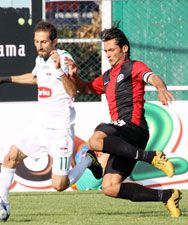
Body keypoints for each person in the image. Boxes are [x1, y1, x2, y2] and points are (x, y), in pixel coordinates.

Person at [0, 20, 102, 207]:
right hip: (40, 127)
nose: (39, 46)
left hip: (61, 131)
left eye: (44, 42)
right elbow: (34, 78)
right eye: (36, 41)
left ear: (54, 42)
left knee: (59, 185)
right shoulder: (40, 59)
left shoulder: (63, 59)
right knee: (10, 157)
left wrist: (59, 71)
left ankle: (88, 160)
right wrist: (2, 80)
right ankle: (1, 202)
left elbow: (73, 92)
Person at [72, 26, 182, 217]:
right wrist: (71, 75)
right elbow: (85, 88)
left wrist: (161, 87)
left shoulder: (134, 66)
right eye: (105, 51)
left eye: (111, 50)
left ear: (124, 49)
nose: (108, 54)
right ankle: (166, 195)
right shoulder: (107, 77)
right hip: (122, 140)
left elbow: (152, 77)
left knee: (95, 140)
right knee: (110, 187)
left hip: (134, 127)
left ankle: (151, 157)